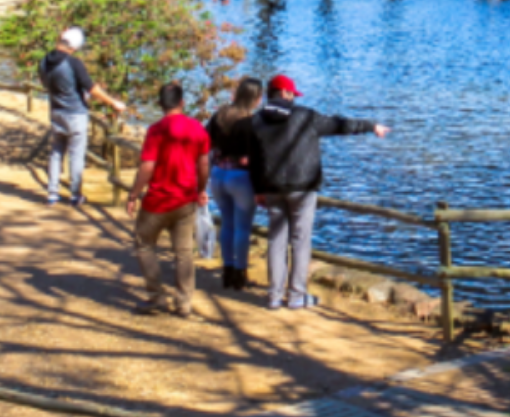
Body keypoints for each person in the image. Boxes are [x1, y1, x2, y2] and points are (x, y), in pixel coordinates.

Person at [240, 75, 390, 310]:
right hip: (303, 187)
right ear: (286, 94)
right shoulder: (305, 117)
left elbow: (254, 160)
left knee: (276, 241)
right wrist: (371, 126)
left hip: (272, 188)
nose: (293, 97)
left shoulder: (256, 121)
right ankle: (297, 296)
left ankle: (274, 297)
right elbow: (340, 125)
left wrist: (258, 189)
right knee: (301, 241)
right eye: (292, 94)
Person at [125, 83, 211, 319]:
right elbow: (203, 164)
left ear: (160, 104)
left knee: (144, 243)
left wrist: (134, 194)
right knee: (183, 252)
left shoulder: (156, 130)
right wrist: (201, 189)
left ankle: (156, 296)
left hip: (158, 201)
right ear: (182, 103)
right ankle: (184, 302)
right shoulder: (198, 129)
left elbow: (147, 166)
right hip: (185, 200)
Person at [39, 27, 126, 206]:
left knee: (56, 152)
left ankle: (52, 193)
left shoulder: (44, 62)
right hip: (75, 114)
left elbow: (45, 83)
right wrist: (112, 102)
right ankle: (75, 194)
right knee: (76, 154)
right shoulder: (73, 63)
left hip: (56, 111)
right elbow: (91, 88)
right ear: (74, 46)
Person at [208, 77, 262, 291]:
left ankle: (227, 269)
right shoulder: (251, 122)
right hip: (241, 178)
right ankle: (240, 273)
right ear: (255, 98)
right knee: (242, 228)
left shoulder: (219, 115)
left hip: (218, 174)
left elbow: (206, 141)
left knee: (227, 223)